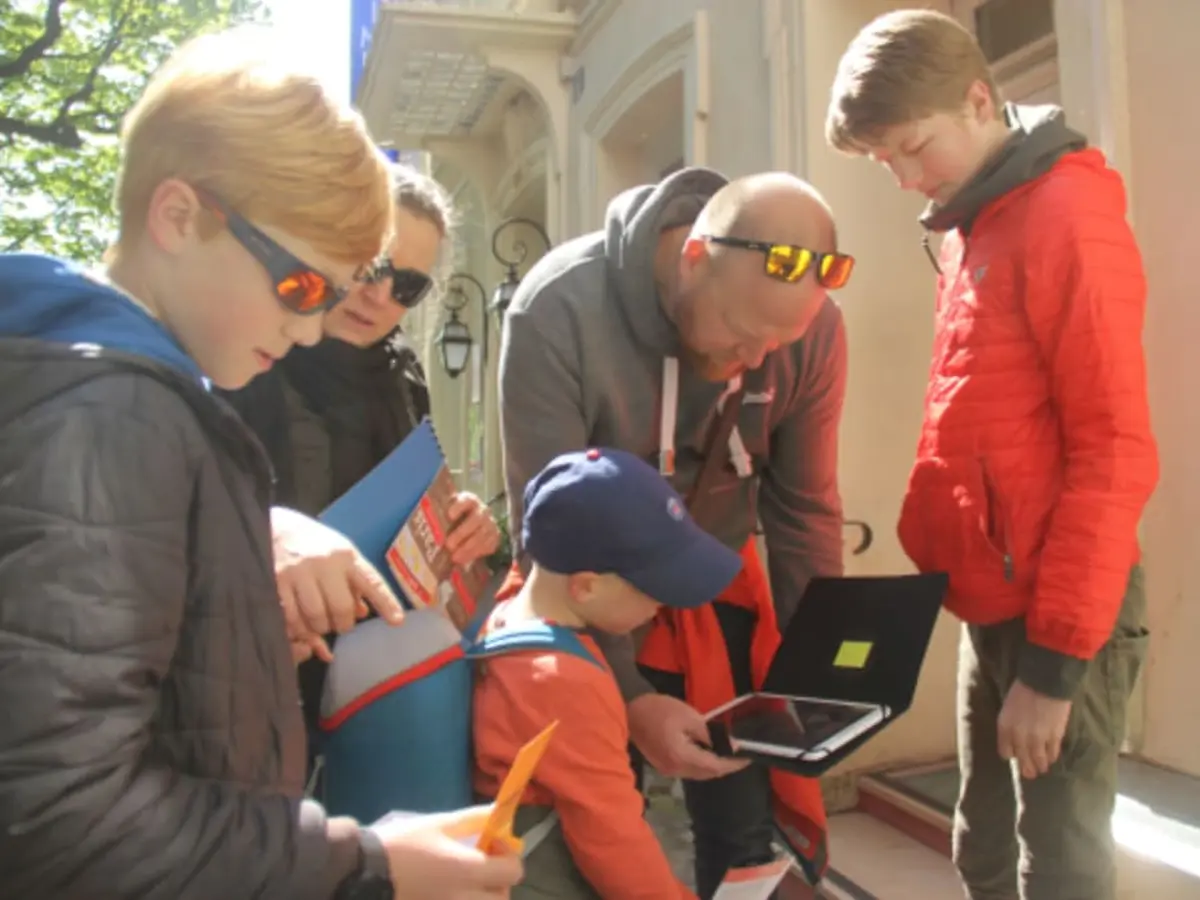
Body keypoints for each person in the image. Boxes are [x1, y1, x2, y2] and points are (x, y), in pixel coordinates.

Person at [0, 29, 520, 900]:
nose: (316, 325)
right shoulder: (114, 416)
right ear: (178, 216)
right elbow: (59, 821)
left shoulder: (140, 397)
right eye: (302, 286)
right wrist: (366, 863)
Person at [826, 10, 1159, 900]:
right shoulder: (977, 217)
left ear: (980, 100)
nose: (902, 179)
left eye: (911, 148)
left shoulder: (1066, 216)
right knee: (981, 844)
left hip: (1060, 608)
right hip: (993, 598)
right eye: (884, 161)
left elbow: (1114, 448)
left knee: (1059, 868)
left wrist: (1052, 671)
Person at [497, 168, 853, 895]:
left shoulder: (809, 332)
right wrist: (630, 698)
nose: (756, 361)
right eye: (744, 334)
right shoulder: (557, 309)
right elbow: (553, 545)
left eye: (780, 342)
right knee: (600, 818)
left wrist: (822, 668)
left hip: (713, 579)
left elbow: (803, 509)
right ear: (694, 257)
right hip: (598, 599)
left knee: (749, 826)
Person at [222, 166, 499, 752]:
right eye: (373, 268)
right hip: (255, 671)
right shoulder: (248, 353)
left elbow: (412, 499)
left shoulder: (402, 374)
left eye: (408, 287)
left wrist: (460, 520)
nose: (380, 296)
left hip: (377, 678)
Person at [473, 447, 743, 899]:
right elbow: (613, 842)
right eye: (654, 591)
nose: (663, 607)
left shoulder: (505, 617)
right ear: (586, 586)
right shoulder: (564, 681)